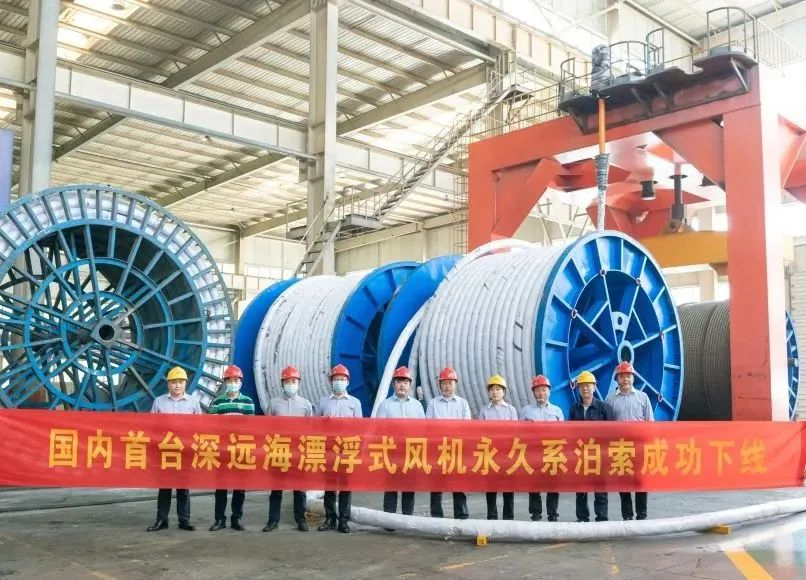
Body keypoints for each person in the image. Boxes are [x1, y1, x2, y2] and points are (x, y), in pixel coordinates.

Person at [147, 366, 202, 532]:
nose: (177, 385)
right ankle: (161, 520)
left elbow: (200, 427)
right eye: (173, 382)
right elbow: (151, 426)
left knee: (183, 487)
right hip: (165, 450)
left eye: (180, 382)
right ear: (168, 384)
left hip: (185, 452)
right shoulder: (159, 401)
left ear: (185, 384)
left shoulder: (193, 402)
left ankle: (184, 520)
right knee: (164, 487)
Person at [264, 365, 313, 532]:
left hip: (298, 452)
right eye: (287, 381)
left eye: (294, 381)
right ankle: (273, 521)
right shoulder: (274, 403)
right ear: (282, 383)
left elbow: (311, 430)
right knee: (276, 488)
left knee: (299, 488)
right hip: (279, 450)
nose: (290, 384)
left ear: (298, 383)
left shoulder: (306, 405)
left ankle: (301, 520)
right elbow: (267, 427)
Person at [208, 364, 255, 531]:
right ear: (225, 382)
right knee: (221, 487)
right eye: (229, 380)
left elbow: (251, 427)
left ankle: (237, 518)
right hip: (222, 451)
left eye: (236, 380)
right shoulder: (218, 402)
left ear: (241, 382)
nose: (233, 383)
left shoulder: (248, 402)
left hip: (241, 450)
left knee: (239, 487)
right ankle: (219, 519)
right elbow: (212, 426)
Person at [316, 364, 362, 534]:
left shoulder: (355, 403)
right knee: (329, 486)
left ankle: (344, 520)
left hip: (346, 450)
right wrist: (322, 421)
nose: (339, 382)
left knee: (345, 486)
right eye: (336, 379)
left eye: (342, 379)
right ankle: (330, 518)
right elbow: (314, 426)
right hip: (328, 449)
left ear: (347, 382)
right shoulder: (323, 402)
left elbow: (360, 428)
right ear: (331, 381)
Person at [605, 361, 653, 521]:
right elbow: (607, 426)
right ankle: (627, 516)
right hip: (620, 448)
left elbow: (650, 422)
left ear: (633, 378)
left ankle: (642, 515)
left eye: (628, 376)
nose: (625, 379)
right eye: (622, 376)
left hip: (639, 447)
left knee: (640, 482)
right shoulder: (610, 400)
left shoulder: (643, 397)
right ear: (617, 379)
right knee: (623, 483)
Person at [377, 366, 425, 525]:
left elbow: (423, 430)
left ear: (410, 384)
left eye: (405, 382)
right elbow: (380, 430)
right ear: (393, 384)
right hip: (392, 453)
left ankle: (407, 520)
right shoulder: (385, 405)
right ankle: (389, 522)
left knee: (408, 488)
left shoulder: (417, 406)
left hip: (411, 453)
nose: (402, 385)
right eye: (399, 381)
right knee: (391, 488)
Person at [426, 367, 471, 520]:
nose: (447, 386)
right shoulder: (433, 404)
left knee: (459, 483)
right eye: (444, 383)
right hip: (438, 449)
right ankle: (436, 516)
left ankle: (461, 515)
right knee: (436, 484)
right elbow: (428, 427)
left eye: (450, 383)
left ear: (455, 385)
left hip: (457, 449)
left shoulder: (463, 404)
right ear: (440, 385)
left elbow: (466, 427)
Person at [520, 374, 563, 522]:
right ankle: (536, 514)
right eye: (537, 390)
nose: (541, 393)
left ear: (549, 391)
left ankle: (553, 514)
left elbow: (563, 433)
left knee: (553, 485)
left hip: (553, 452)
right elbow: (520, 432)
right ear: (533, 392)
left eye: (544, 390)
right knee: (534, 485)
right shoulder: (526, 411)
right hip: (534, 453)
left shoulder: (557, 411)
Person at [569, 370, 609, 523]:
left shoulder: (603, 407)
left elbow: (611, 431)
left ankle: (602, 518)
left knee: (600, 489)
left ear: (594, 387)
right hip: (581, 454)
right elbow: (570, 432)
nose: (585, 389)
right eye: (582, 386)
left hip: (599, 454)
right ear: (578, 389)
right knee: (581, 489)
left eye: (588, 385)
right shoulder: (574, 408)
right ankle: (582, 518)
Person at [479, 375, 518, 520]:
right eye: (492, 389)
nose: (495, 392)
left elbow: (515, 433)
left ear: (504, 392)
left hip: (507, 454)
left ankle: (508, 518)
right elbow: (481, 433)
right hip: (490, 454)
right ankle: (492, 516)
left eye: (498, 389)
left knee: (508, 488)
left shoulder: (511, 410)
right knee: (491, 487)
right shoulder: (484, 411)